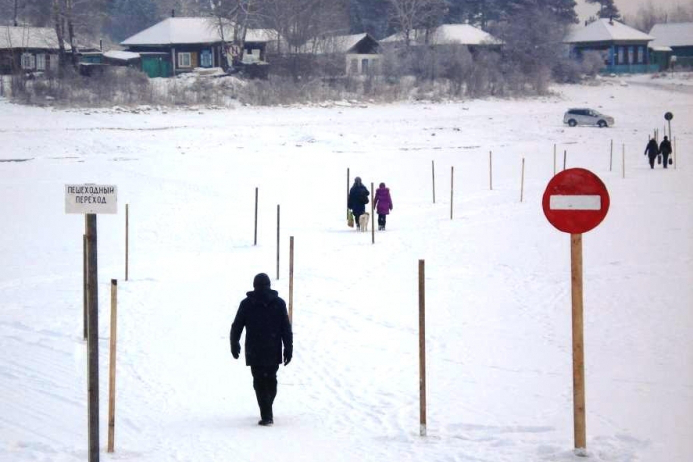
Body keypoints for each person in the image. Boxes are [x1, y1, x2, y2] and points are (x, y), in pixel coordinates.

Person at [230, 273, 293, 426]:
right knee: (271, 379)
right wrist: (288, 348)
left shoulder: (247, 303)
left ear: (254, 285)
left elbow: (237, 326)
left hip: (255, 349)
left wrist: (234, 342)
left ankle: (266, 413)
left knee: (259, 380)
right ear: (269, 285)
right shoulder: (279, 303)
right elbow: (286, 328)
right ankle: (267, 407)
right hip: (273, 348)